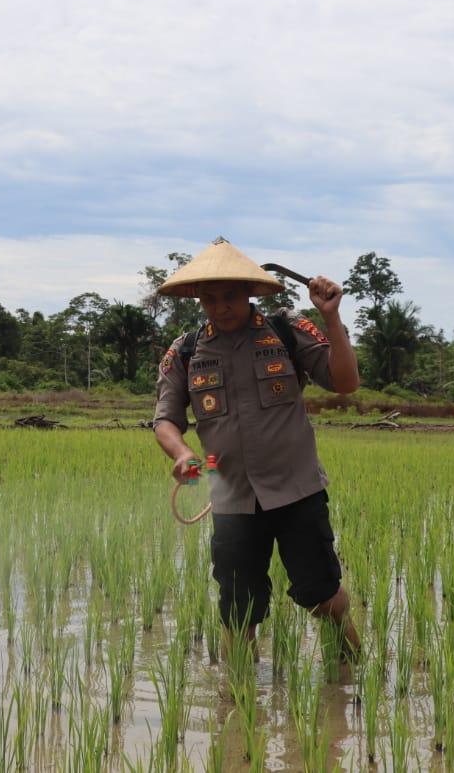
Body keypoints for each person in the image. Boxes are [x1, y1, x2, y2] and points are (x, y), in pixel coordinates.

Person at [152, 237, 361, 661]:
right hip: (231, 500)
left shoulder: (286, 330)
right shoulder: (187, 350)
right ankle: (239, 704)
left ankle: (355, 677)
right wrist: (180, 452)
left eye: (230, 295)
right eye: (209, 298)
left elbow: (345, 382)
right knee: (238, 609)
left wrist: (332, 319)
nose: (220, 306)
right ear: (198, 299)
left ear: (249, 293)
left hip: (296, 491)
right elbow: (166, 419)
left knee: (320, 595)